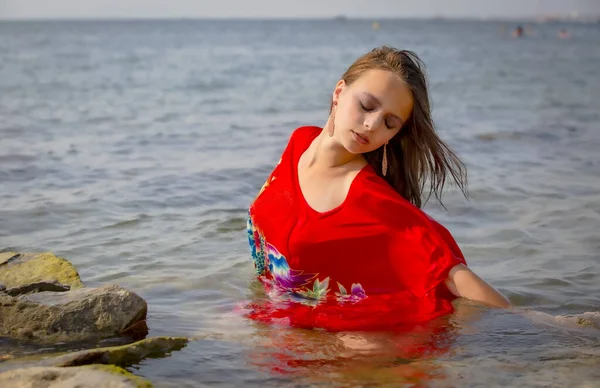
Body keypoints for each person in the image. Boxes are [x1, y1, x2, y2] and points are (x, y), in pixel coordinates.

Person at [246, 46, 510, 332]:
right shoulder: (299, 141)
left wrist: (528, 324)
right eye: (367, 106)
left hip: (319, 346)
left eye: (389, 122)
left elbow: (450, 273)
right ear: (339, 93)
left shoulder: (367, 195)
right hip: (268, 320)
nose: (372, 125)